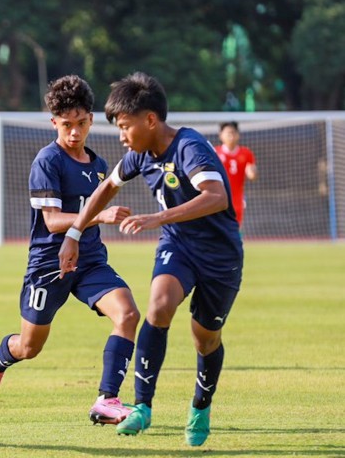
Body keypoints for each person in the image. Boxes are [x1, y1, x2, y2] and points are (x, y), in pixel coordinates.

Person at [59, 72, 243, 446]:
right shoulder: (139, 156)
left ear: (150, 120)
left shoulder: (189, 147)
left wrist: (158, 217)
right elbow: (105, 189)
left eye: (126, 127)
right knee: (158, 307)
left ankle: (200, 406)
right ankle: (142, 406)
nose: (122, 136)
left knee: (205, 339)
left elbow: (216, 196)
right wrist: (75, 233)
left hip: (220, 256)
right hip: (179, 245)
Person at [0, 75, 140, 426]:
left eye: (81, 124)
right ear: (54, 122)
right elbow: (51, 222)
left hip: (90, 261)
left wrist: (97, 220)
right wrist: (101, 215)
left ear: (91, 120)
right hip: (49, 265)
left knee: (127, 314)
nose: (74, 133)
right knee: (29, 347)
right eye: (67, 125)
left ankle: (107, 399)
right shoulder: (47, 161)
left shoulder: (98, 166)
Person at [215, 122, 257, 227]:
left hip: (237, 199)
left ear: (238, 135)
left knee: (235, 228)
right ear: (221, 135)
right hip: (218, 198)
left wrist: (252, 172)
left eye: (233, 133)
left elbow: (252, 175)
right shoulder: (215, 153)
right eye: (228, 133)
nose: (231, 136)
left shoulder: (246, 153)